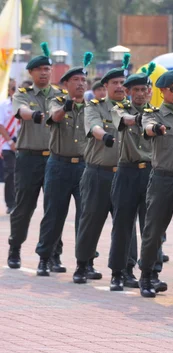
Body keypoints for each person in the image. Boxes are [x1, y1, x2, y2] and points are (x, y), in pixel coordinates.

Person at [34, 53, 92, 276]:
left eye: (83, 80)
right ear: (66, 84)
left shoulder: (91, 107)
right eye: (75, 80)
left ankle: (85, 262)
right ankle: (45, 257)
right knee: (54, 214)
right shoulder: (56, 101)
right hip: (59, 165)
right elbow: (54, 117)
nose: (80, 84)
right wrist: (67, 107)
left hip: (84, 167)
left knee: (85, 216)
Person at [7, 42, 63, 271]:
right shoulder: (22, 95)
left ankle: (52, 255)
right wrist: (37, 115)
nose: (44, 72)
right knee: (24, 207)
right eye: (39, 69)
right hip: (28, 158)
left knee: (54, 209)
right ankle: (15, 248)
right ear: (31, 72)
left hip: (54, 158)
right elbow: (22, 113)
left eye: (47, 69)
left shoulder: (60, 96)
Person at [74, 55, 129, 283]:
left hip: (125, 175)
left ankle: (124, 269)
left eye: (122, 83)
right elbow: (94, 127)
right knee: (91, 220)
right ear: (104, 87)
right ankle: (83, 264)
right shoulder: (94, 107)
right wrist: (104, 135)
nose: (119, 87)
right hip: (98, 172)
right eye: (114, 83)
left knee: (124, 225)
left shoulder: (132, 110)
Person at [137, 59, 173, 298]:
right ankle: (147, 274)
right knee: (154, 231)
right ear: (162, 91)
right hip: (162, 180)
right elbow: (146, 127)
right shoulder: (153, 114)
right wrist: (155, 129)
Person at [106, 64, 155, 291]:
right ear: (128, 92)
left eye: (144, 89)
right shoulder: (118, 109)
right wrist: (137, 120)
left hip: (151, 173)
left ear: (149, 91)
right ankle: (119, 272)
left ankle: (150, 272)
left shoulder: (156, 113)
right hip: (127, 171)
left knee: (151, 226)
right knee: (123, 224)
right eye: (135, 89)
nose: (140, 93)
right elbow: (124, 119)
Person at [0, 79, 18, 215]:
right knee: (10, 174)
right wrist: (10, 142)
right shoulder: (3, 105)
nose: (15, 92)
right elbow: (1, 125)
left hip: (23, 144)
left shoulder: (25, 106)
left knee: (21, 175)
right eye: (13, 89)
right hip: (7, 144)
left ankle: (20, 202)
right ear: (9, 90)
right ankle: (10, 203)